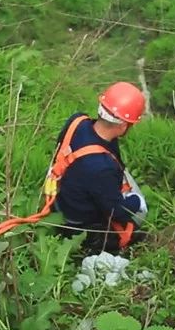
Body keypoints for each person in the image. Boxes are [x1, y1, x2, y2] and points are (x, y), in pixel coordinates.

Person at [50, 81, 148, 254]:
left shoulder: (77, 121)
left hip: (59, 196)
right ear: (123, 125)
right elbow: (117, 211)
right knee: (138, 213)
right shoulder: (101, 168)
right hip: (77, 222)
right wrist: (136, 201)